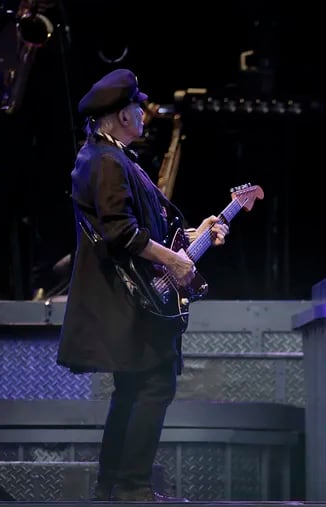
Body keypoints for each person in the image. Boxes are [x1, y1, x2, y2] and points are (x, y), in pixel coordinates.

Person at [56, 68, 229, 502]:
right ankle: (131, 487)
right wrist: (172, 258)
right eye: (136, 107)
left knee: (135, 386)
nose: (143, 113)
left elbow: (144, 230)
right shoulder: (106, 161)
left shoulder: (111, 158)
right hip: (127, 302)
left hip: (134, 299)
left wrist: (193, 237)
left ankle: (112, 485)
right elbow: (120, 232)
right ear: (117, 116)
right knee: (154, 383)